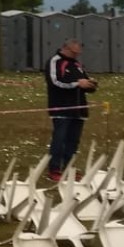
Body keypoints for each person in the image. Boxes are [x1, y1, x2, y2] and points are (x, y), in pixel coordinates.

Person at [45, 38, 97, 182]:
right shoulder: (55, 61)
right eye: (76, 49)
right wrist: (77, 84)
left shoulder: (77, 64)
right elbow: (55, 82)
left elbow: (83, 82)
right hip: (61, 108)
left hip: (79, 109)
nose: (78, 52)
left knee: (73, 141)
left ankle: (70, 169)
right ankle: (54, 169)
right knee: (59, 139)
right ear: (67, 47)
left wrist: (90, 84)